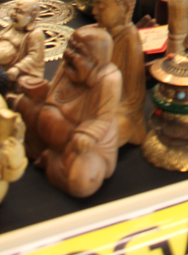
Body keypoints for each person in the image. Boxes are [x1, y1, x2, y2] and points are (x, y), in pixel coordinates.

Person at [16, 26, 122, 198]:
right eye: (70, 47)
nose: (69, 54)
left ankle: (50, 160)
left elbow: (103, 119)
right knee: (20, 104)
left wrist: (87, 134)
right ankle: (39, 149)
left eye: (78, 51)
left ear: (95, 61)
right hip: (51, 132)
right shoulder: (68, 65)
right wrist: (38, 89)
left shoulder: (108, 79)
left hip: (80, 146)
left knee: (81, 182)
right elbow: (51, 92)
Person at [92, 0, 147, 147]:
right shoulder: (99, 34)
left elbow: (134, 98)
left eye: (101, 6)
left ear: (124, 8)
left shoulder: (130, 38)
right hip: (99, 102)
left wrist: (105, 111)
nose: (94, 11)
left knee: (97, 136)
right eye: (95, 5)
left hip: (123, 111)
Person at [0, 0, 44, 102]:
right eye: (14, 10)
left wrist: (18, 68)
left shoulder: (35, 34)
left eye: (19, 12)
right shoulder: (13, 26)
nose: (14, 14)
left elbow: (35, 57)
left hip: (11, 72)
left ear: (32, 16)